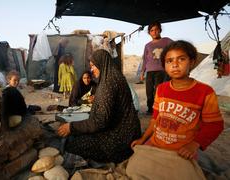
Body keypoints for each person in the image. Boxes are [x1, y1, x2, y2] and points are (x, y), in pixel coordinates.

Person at [129, 41, 224, 178]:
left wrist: (194, 144)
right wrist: (143, 139)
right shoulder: (161, 89)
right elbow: (155, 119)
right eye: (169, 61)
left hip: (181, 151)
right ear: (164, 66)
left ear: (192, 62)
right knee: (134, 170)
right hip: (156, 144)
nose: (175, 64)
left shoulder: (205, 92)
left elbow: (215, 124)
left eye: (181, 59)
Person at [57, 49, 141, 163]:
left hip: (121, 138)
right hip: (128, 131)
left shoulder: (109, 83)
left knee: (74, 144)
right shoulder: (116, 77)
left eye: (93, 66)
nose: (91, 69)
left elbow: (100, 121)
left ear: (102, 63)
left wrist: (71, 127)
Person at [140, 21, 173, 114]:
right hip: (150, 71)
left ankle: (158, 109)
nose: (154, 32)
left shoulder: (166, 41)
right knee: (149, 91)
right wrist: (142, 72)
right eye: (152, 30)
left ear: (160, 30)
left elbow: (176, 47)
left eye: (156, 30)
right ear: (149, 32)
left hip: (161, 71)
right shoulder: (147, 45)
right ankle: (150, 109)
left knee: (158, 91)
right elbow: (145, 59)